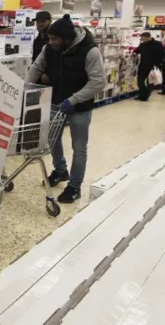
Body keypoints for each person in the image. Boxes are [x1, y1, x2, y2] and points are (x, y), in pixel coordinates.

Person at [25, 14, 106, 204]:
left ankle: (75, 186)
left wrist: (73, 99)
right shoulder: (49, 48)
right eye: (50, 38)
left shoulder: (89, 51)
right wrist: (24, 88)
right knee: (52, 140)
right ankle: (61, 171)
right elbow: (36, 68)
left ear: (67, 39)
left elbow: (98, 82)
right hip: (55, 102)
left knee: (79, 148)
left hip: (80, 107)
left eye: (55, 39)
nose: (50, 41)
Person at [134, 32, 164, 101]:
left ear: (148, 37)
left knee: (150, 83)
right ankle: (144, 94)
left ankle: (144, 96)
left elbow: (162, 55)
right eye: (142, 39)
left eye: (144, 39)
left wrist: (158, 65)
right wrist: (133, 54)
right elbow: (136, 51)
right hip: (142, 67)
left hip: (153, 67)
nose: (143, 40)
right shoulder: (142, 45)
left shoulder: (158, 44)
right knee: (139, 82)